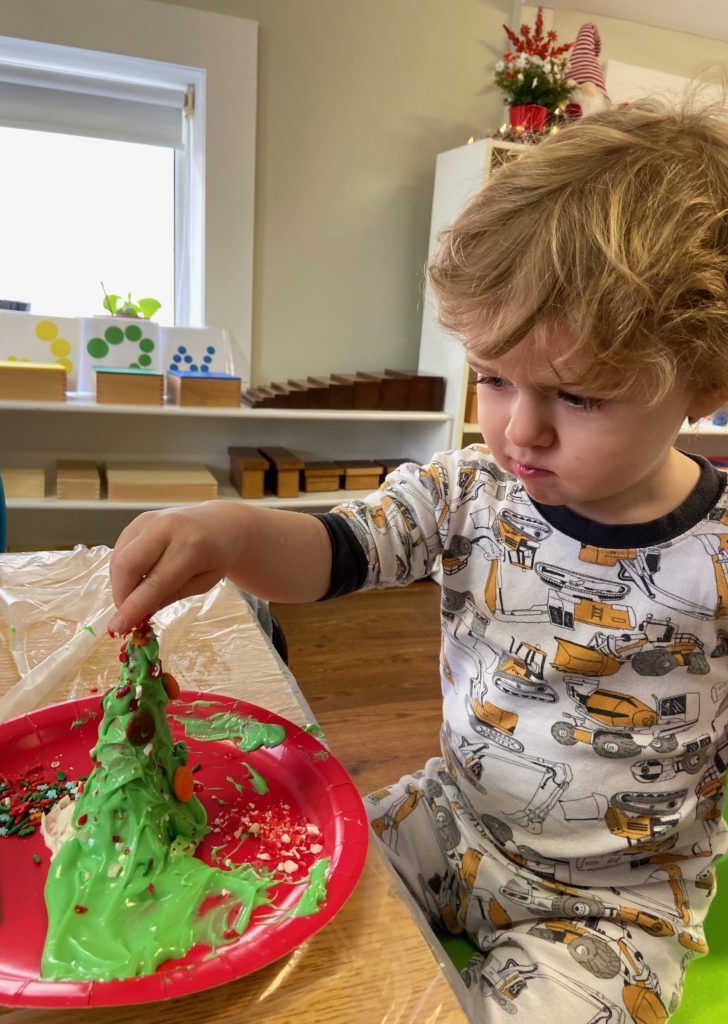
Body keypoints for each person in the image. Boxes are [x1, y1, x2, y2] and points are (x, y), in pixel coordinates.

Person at [107, 100, 728, 1021]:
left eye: (581, 397)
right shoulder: (468, 488)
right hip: (447, 823)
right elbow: (333, 551)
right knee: (278, 910)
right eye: (496, 374)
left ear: (706, 385)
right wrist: (232, 534)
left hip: (618, 905)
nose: (520, 427)